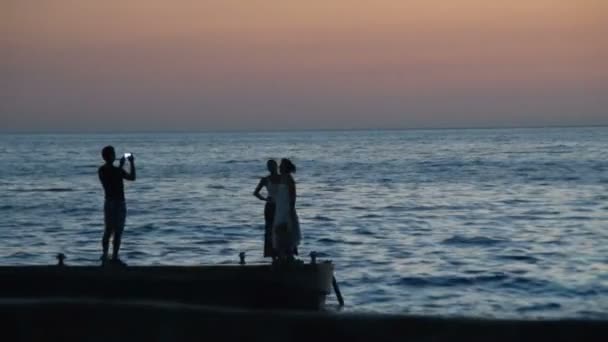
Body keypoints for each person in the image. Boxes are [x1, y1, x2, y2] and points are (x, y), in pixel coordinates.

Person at [98, 146, 136, 265]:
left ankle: (109, 255)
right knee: (113, 230)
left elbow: (130, 177)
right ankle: (110, 256)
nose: (114, 155)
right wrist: (128, 164)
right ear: (109, 156)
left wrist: (126, 165)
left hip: (113, 202)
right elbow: (127, 177)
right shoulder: (109, 170)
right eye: (113, 154)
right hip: (115, 202)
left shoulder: (105, 170)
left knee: (113, 230)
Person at [272, 158, 301, 261]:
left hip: (286, 207)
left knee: (286, 229)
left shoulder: (289, 179)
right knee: (279, 230)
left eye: (281, 166)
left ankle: (288, 254)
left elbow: (293, 195)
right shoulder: (282, 178)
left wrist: (291, 209)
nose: (279, 167)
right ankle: (282, 254)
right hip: (280, 207)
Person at [253, 160, 281, 260]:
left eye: (273, 166)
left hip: (281, 206)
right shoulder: (265, 179)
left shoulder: (283, 178)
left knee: (282, 230)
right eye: (269, 166)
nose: (271, 168)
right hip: (270, 207)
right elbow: (255, 193)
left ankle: (283, 254)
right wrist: (264, 198)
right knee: (270, 230)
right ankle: (272, 254)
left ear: (276, 166)